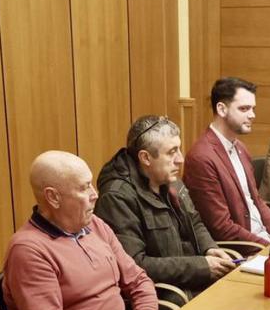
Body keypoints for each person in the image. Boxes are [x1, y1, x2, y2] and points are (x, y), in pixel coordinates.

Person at [2, 150, 158, 310]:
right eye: (84, 188)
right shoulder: (28, 251)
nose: (95, 195)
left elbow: (138, 281)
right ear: (53, 197)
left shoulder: (95, 225)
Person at [96, 115, 239, 298]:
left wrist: (209, 248)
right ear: (146, 158)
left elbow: (195, 222)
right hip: (166, 295)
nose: (180, 159)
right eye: (172, 152)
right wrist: (202, 266)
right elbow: (135, 264)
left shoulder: (171, 181)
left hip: (195, 283)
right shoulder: (117, 198)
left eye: (179, 149)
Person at [183, 77, 270, 244]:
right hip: (243, 249)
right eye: (244, 109)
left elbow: (257, 202)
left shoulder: (241, 148)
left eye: (253, 108)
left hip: (264, 240)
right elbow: (221, 227)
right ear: (222, 109)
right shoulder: (201, 157)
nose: (252, 115)